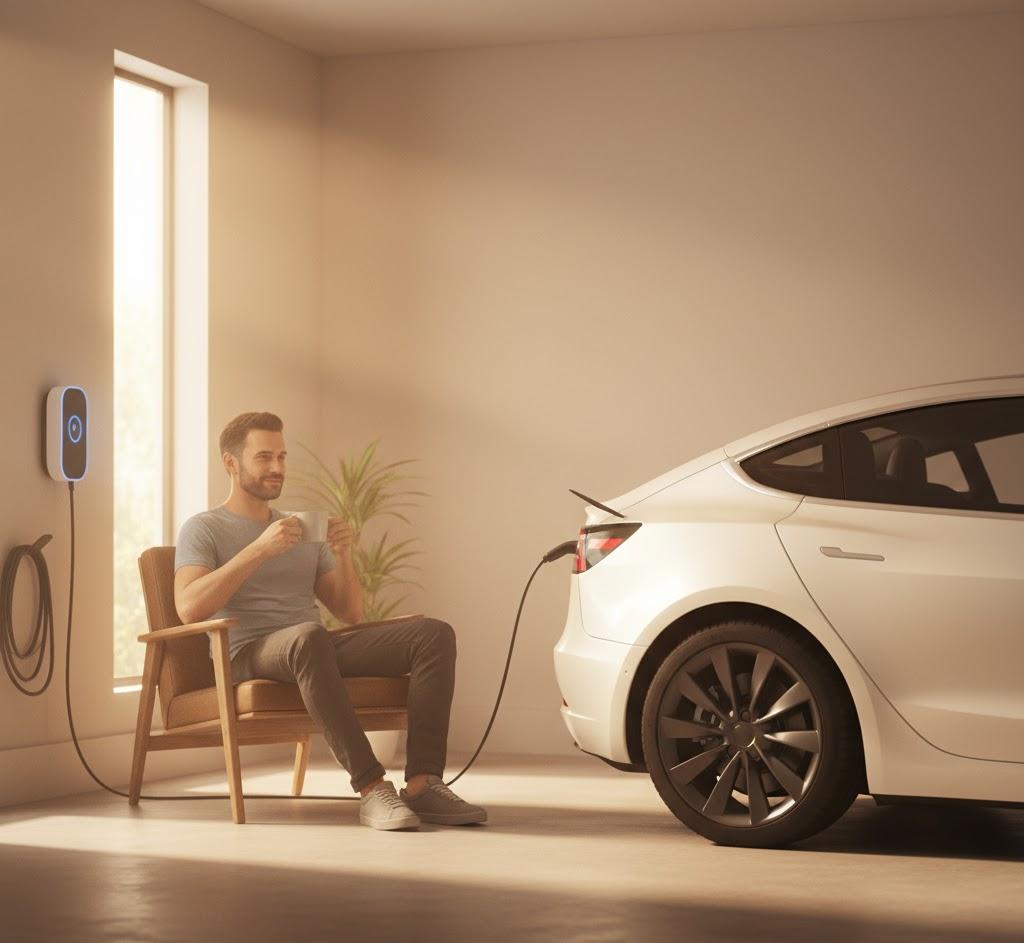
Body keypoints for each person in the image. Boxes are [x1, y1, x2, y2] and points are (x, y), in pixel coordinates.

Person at [173, 411, 486, 831]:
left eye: (282, 456)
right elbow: (188, 607)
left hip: (311, 646)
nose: (277, 467)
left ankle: (423, 785)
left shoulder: (299, 529)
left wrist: (343, 554)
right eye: (264, 457)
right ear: (231, 463)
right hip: (247, 652)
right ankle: (372, 787)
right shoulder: (204, 528)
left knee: (433, 635)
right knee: (308, 637)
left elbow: (349, 613)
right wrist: (259, 550)